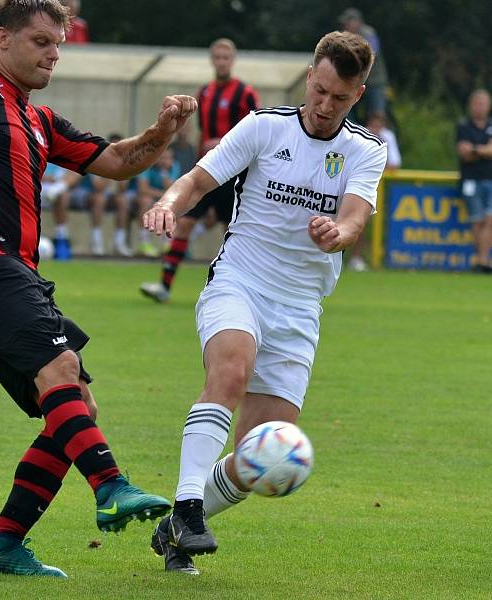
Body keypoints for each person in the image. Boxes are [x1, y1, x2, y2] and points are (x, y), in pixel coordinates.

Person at [0, 0, 196, 578]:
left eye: (58, 43)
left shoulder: (39, 119)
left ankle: (2, 546)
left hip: (16, 273)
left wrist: (161, 132)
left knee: (76, 402)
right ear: (2, 40)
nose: (54, 53)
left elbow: (114, 162)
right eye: (40, 41)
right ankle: (111, 485)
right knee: (61, 369)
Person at [142, 30, 386, 575]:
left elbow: (354, 218)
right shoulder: (264, 127)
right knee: (230, 369)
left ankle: (177, 532)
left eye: (339, 98)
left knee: (262, 455)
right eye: (319, 90)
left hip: (300, 307)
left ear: (358, 94)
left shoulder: (365, 149)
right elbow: (198, 179)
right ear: (310, 76)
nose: (325, 106)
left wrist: (337, 233)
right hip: (240, 282)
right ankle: (186, 505)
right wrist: (166, 203)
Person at [140, 37, 259, 303]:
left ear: (233, 60)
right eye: (217, 57)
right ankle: (164, 287)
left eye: (225, 57)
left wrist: (224, 141)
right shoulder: (204, 92)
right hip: (208, 171)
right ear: (212, 60)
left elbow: (257, 133)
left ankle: (244, 293)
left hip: (234, 176)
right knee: (184, 224)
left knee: (235, 233)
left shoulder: (245, 93)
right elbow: (202, 133)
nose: (221, 62)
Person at [456, 89, 492, 273]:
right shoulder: (464, 126)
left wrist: (475, 150)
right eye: (477, 103)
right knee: (476, 220)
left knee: (491, 219)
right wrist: (486, 150)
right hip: (470, 180)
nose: (480, 107)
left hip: (491, 180)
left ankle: (483, 261)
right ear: (470, 105)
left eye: (483, 103)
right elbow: (463, 153)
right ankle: (482, 260)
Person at [346, 111, 401, 272]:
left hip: (372, 187)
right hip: (352, 183)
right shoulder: (357, 134)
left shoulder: (387, 137)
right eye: (374, 123)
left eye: (380, 124)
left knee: (360, 222)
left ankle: (355, 258)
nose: (377, 127)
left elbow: (395, 163)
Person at [339, 7, 389, 121]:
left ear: (357, 22)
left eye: (347, 22)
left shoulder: (369, 33)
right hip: (355, 81)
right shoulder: (345, 36)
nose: (345, 25)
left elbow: (372, 52)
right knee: (346, 109)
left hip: (374, 81)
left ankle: (381, 136)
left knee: (377, 114)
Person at [135, 148, 181, 257]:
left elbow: (174, 189)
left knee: (172, 204)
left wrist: (165, 177)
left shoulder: (175, 166)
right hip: (141, 198)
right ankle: (144, 243)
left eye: (168, 158)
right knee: (146, 201)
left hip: (161, 198)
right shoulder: (147, 165)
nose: (165, 161)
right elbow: (143, 189)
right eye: (162, 158)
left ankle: (167, 243)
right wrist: (163, 194)